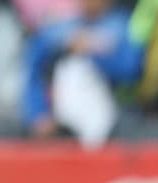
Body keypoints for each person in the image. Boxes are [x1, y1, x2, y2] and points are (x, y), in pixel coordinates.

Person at [21, 0, 142, 146]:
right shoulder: (60, 29)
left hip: (113, 122)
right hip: (62, 127)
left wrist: (93, 51)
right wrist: (38, 113)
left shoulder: (122, 27)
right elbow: (33, 72)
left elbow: (131, 71)